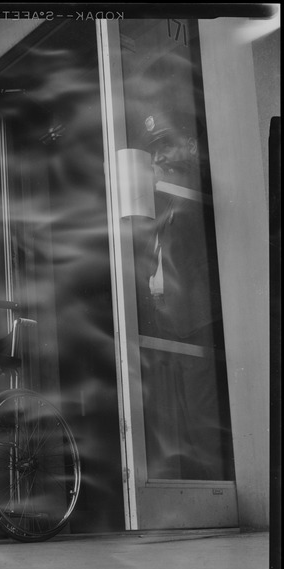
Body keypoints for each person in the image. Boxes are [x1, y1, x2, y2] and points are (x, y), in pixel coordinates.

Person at [134, 110, 231, 480]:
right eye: (153, 151)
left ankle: (216, 486)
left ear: (191, 145)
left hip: (195, 323)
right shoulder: (168, 200)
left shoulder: (194, 192)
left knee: (202, 415)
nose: (158, 158)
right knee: (180, 417)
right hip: (169, 323)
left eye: (165, 146)